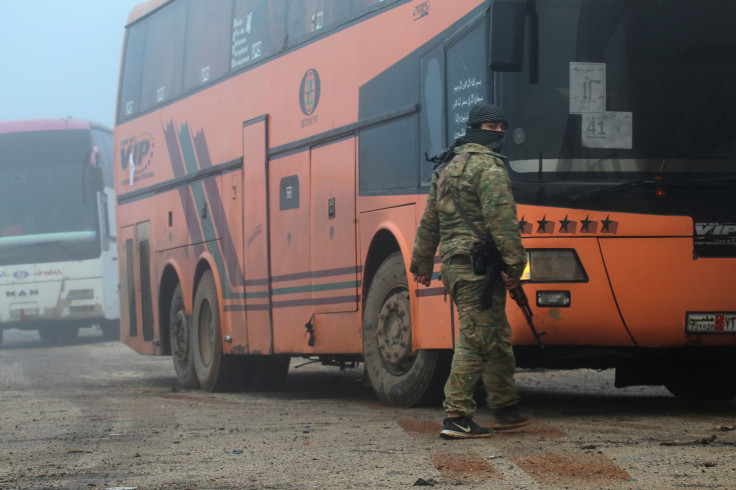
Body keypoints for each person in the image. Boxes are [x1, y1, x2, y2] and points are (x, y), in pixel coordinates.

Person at [410, 104, 532, 439]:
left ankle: (506, 407)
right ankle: (457, 415)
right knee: (477, 337)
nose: (498, 133)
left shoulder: (446, 167)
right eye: (492, 126)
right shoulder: (490, 168)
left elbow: (429, 221)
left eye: (502, 127)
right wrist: (515, 267)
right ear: (476, 128)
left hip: (456, 266)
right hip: (478, 268)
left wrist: (420, 263)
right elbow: (503, 222)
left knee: (495, 334)